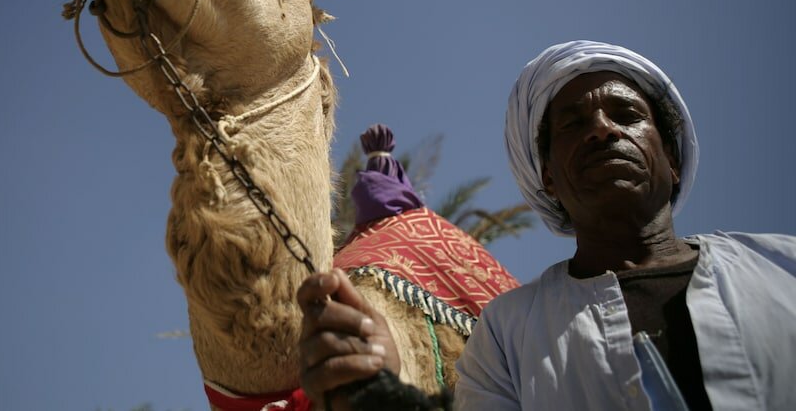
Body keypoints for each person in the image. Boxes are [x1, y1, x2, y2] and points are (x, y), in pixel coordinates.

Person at [298, 40, 796, 410]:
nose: (603, 129)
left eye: (625, 113)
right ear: (549, 178)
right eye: (574, 125)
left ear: (672, 159)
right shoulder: (507, 333)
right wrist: (386, 393)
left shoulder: (781, 269)